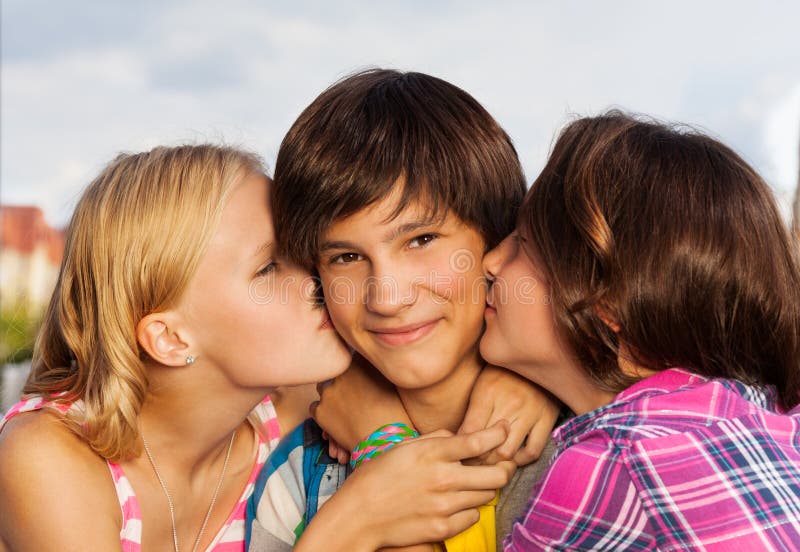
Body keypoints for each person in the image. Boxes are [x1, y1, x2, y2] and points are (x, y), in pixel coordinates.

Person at [0, 144, 514, 551]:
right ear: (171, 338)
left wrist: (514, 383)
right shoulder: (48, 457)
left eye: (305, 251)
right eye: (270, 267)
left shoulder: (292, 412)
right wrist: (355, 521)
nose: (318, 277)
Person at [248, 69, 562, 551]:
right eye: (347, 258)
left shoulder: (585, 449)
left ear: (498, 242)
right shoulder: (297, 481)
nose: (388, 298)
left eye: (422, 240)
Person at [480, 112, 800, 549]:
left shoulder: (607, 467)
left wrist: (379, 430)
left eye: (524, 245)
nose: (491, 261)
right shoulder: (777, 420)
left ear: (608, 305)